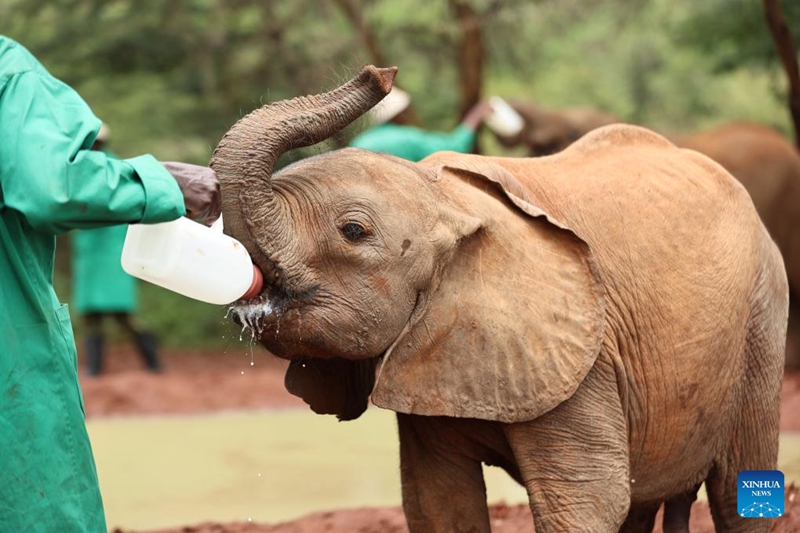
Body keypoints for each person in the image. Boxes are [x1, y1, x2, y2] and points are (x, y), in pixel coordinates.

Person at [0, 35, 220, 532]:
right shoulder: (8, 74)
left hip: (105, 263)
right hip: (16, 326)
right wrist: (160, 183)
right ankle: (124, 368)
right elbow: (52, 185)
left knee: (115, 317)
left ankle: (151, 366)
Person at [70, 124, 163, 375]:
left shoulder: (114, 170)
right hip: (90, 258)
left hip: (114, 256)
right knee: (92, 318)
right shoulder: (80, 171)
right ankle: (95, 369)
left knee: (124, 315)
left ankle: (153, 363)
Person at [349, 86, 492, 161]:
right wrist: (475, 116)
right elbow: (452, 147)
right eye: (406, 109)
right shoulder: (407, 138)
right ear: (400, 114)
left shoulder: (359, 141)